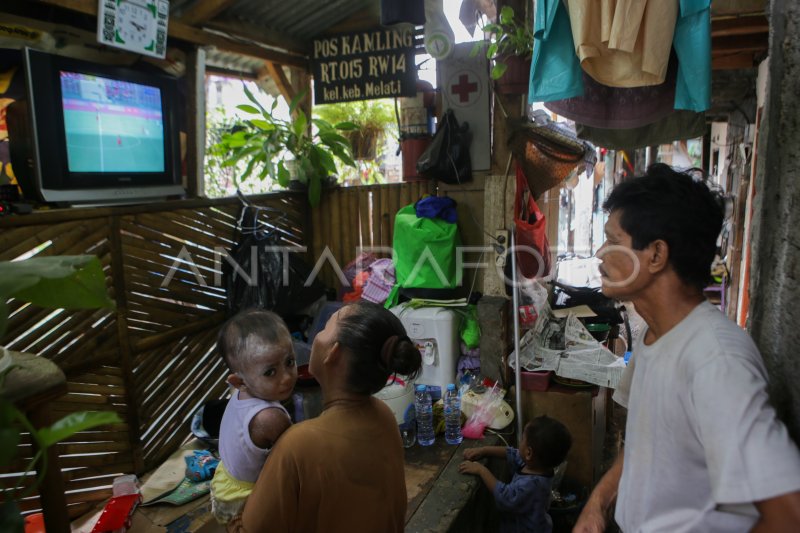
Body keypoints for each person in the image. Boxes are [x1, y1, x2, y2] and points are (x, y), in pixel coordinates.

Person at [574, 164, 800, 532]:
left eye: (613, 241)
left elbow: (788, 515)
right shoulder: (655, 337)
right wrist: (598, 504)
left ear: (656, 255)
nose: (600, 253)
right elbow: (641, 450)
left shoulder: (716, 361)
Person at [229, 300, 422, 533]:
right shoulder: (384, 416)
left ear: (333, 353)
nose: (316, 337)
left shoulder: (297, 445)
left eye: (324, 329)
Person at [210, 308, 297, 524]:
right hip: (244, 498)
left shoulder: (240, 393)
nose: (287, 377)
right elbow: (295, 459)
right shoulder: (270, 418)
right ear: (239, 381)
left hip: (226, 482)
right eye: (270, 372)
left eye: (289, 361)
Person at [459, 416, 572, 533]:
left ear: (529, 453)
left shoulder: (532, 484)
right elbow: (511, 453)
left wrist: (481, 470)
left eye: (523, 438)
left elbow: (505, 496)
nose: (520, 442)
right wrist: (484, 450)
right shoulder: (537, 466)